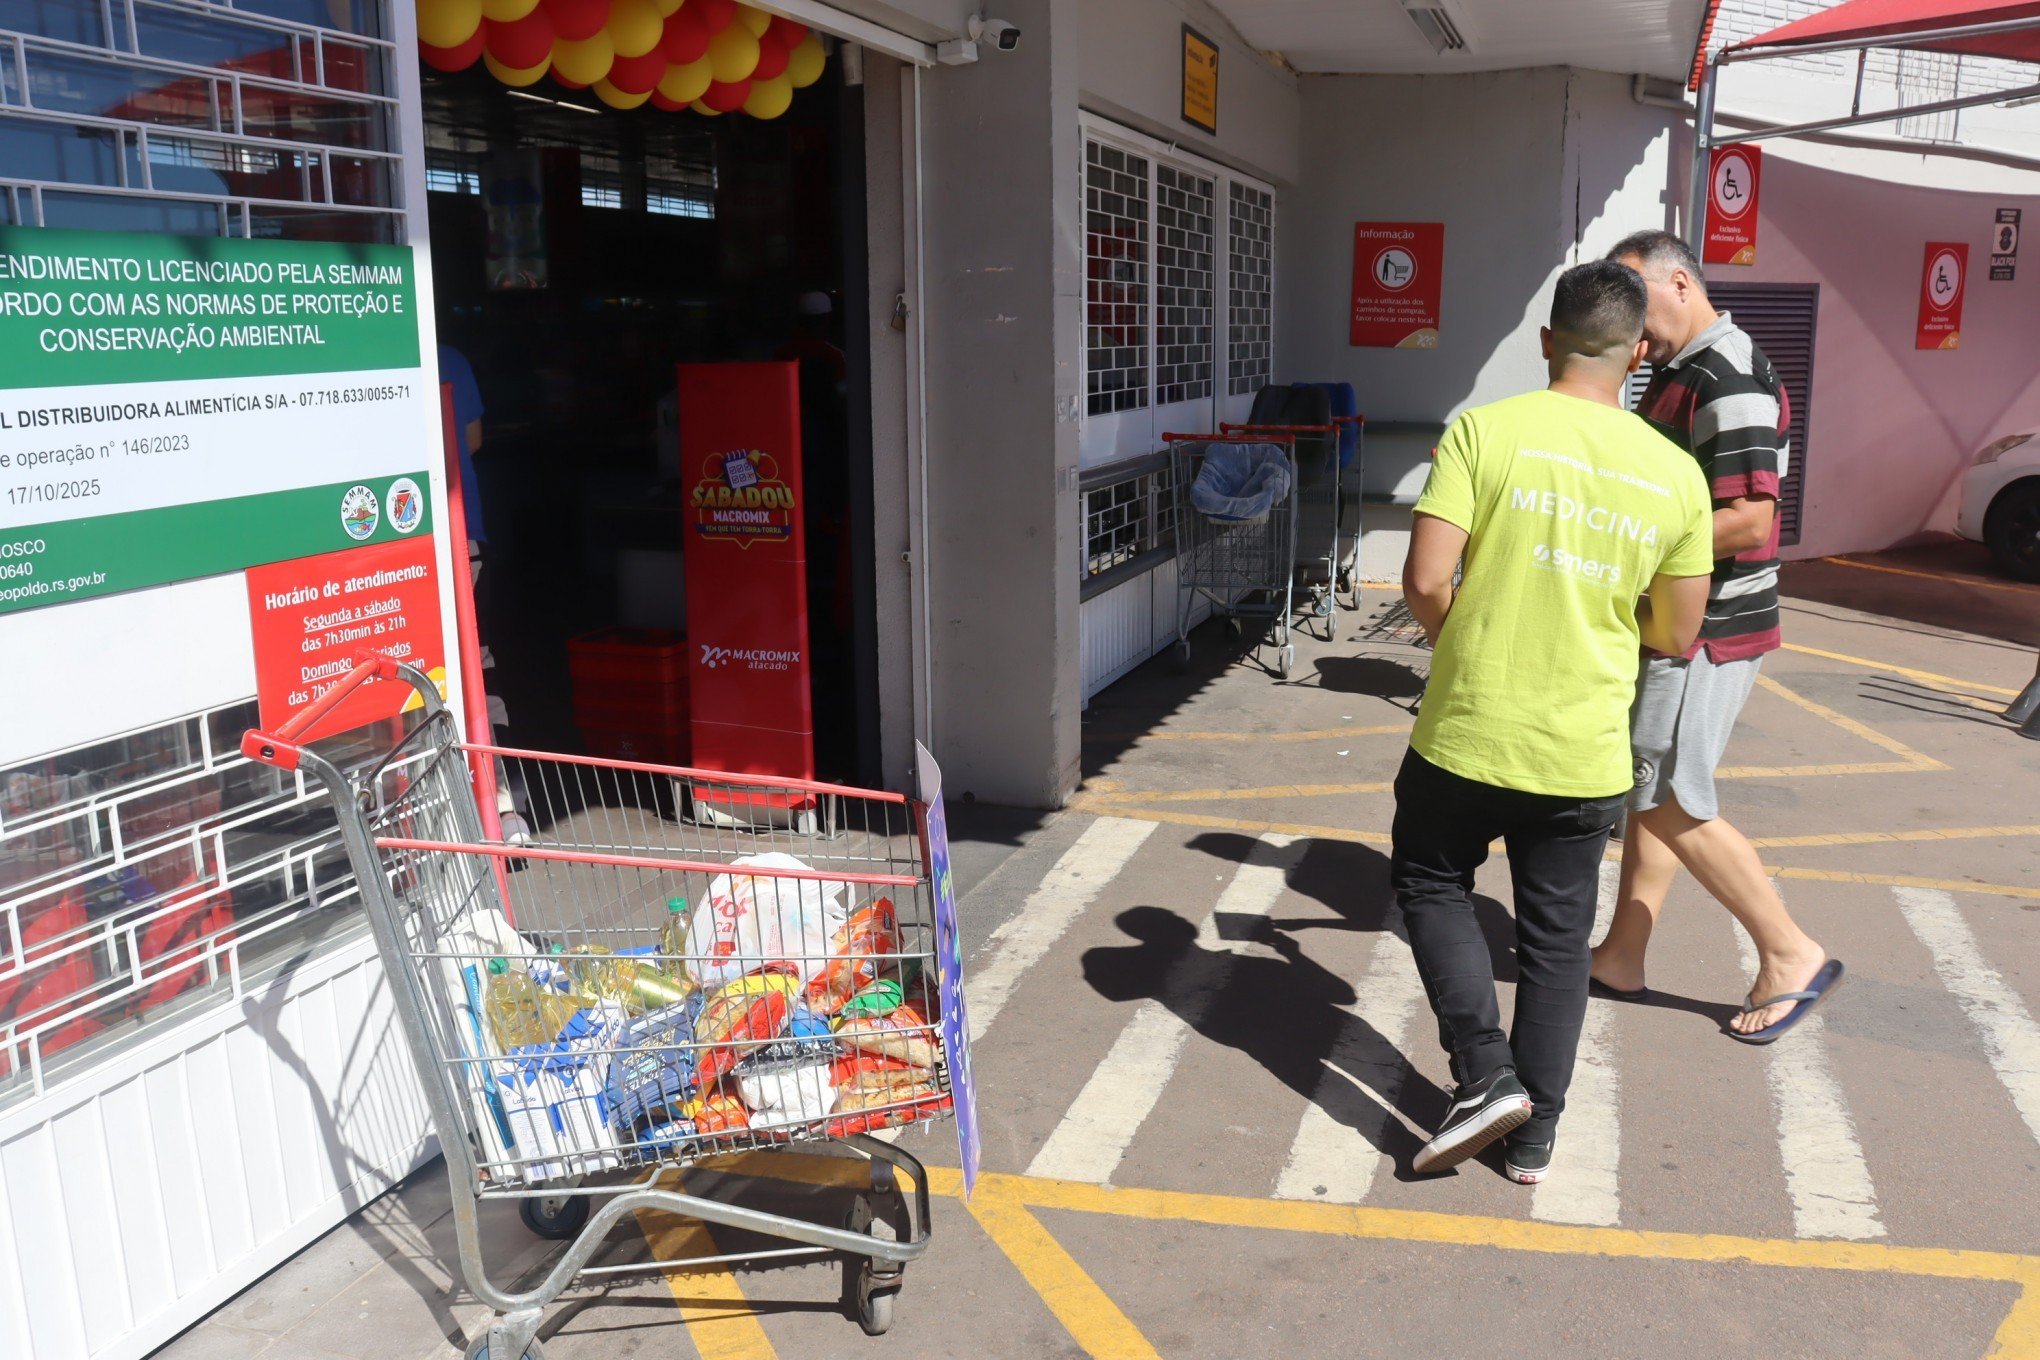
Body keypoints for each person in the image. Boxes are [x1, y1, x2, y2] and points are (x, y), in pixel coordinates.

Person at [1396, 262, 1714, 1185]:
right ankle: (1533, 1139)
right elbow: (1677, 630)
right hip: (1583, 749)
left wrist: (1469, 640)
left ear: (1546, 339)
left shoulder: (1485, 432)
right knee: (1555, 940)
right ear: (1640, 352)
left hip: (1467, 726)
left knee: (1430, 880)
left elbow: (1424, 581)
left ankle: (1486, 1074)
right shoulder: (1675, 473)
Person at [1592, 231, 1843, 1042]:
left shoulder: (1725, 372)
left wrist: (1633, 556)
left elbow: (1748, 520)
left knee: (1665, 793)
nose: (1631, 317)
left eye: (1637, 296)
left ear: (1679, 280)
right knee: (1655, 787)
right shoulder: (1675, 370)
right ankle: (1624, 953)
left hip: (1706, 625)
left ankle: (1788, 951)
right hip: (1684, 618)